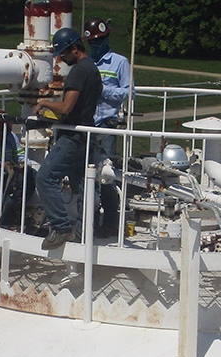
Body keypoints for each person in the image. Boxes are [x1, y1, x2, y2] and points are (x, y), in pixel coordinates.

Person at [33, 27, 102, 250]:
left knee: (45, 177)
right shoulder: (93, 69)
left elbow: (66, 107)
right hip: (87, 135)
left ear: (75, 48)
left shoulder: (79, 71)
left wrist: (44, 103)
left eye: (63, 53)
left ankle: (61, 227)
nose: (61, 58)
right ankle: (83, 232)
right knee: (82, 185)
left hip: (73, 136)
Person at [83, 17, 131, 237]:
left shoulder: (120, 62)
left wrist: (103, 90)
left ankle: (111, 222)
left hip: (106, 126)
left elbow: (129, 92)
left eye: (100, 40)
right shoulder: (86, 62)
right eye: (93, 42)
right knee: (86, 176)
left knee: (107, 176)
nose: (96, 44)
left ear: (107, 37)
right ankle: (88, 221)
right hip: (86, 125)